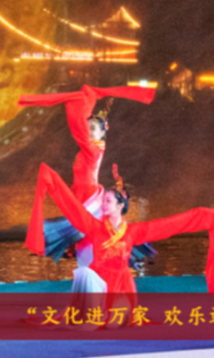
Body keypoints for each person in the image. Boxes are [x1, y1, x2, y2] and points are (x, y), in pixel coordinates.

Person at [20, 86, 155, 292]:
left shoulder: (93, 150)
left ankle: (101, 289)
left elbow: (79, 132)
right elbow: (80, 132)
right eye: (88, 127)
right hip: (80, 195)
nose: (88, 131)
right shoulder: (88, 149)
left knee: (89, 242)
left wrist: (77, 107)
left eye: (93, 128)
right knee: (84, 243)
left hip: (89, 198)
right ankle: (92, 291)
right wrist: (84, 105)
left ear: (102, 132)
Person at [34, 163, 214, 296]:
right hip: (99, 284)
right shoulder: (95, 227)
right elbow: (73, 208)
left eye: (108, 201)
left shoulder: (133, 232)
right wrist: (52, 180)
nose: (103, 205)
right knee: (84, 274)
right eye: (103, 201)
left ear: (120, 205)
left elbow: (168, 225)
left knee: (115, 322)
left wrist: (202, 217)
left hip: (121, 287)